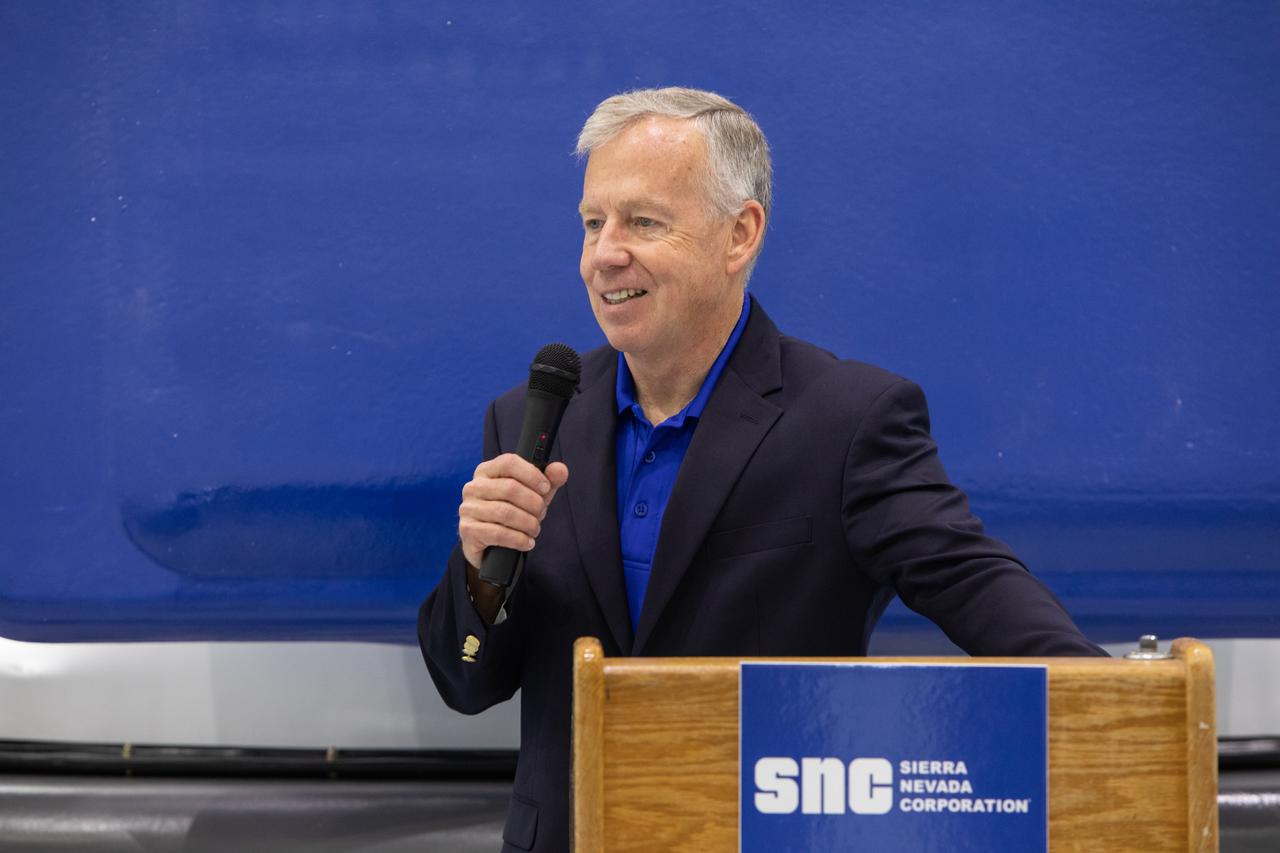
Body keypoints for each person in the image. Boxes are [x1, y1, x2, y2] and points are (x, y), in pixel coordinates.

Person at [418, 86, 1104, 853]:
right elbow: (466, 682)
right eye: (592, 222)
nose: (604, 252)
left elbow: (988, 598)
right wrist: (481, 572)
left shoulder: (848, 422)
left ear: (739, 235)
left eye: (643, 221)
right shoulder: (529, 421)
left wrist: (1122, 716)